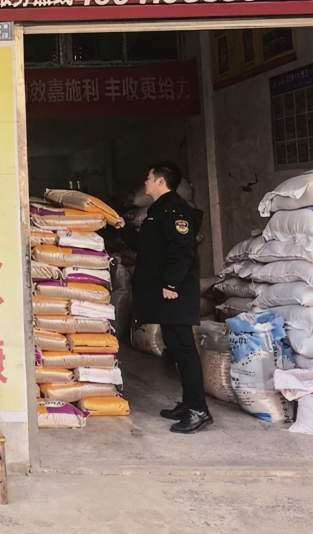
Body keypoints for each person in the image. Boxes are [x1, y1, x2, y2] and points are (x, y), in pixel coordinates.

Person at [115, 161, 210, 434]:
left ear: (160, 181)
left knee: (184, 349)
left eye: (148, 177)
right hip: (166, 293)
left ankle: (198, 409)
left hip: (175, 292)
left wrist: (171, 283)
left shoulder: (175, 211)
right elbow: (145, 247)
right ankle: (189, 403)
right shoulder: (158, 211)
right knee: (175, 347)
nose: (145, 182)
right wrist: (122, 228)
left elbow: (182, 250)